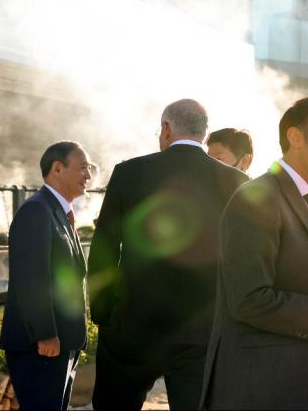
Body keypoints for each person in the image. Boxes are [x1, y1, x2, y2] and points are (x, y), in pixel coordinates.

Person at [201, 95, 308, 410]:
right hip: (258, 389)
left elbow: (299, 282)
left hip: (293, 385)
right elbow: (249, 300)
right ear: (295, 137)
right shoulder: (258, 197)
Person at [88, 99, 250, 410]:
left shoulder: (129, 172)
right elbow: (242, 257)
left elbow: (105, 247)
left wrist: (103, 313)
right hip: (201, 328)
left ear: (166, 129)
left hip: (133, 323)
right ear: (202, 134)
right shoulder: (235, 182)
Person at [0, 141, 94, 410]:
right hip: (41, 346)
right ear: (57, 168)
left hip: (61, 344)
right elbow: (32, 278)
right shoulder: (36, 211)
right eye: (83, 168)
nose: (88, 176)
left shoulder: (59, 212)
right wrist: (45, 334)